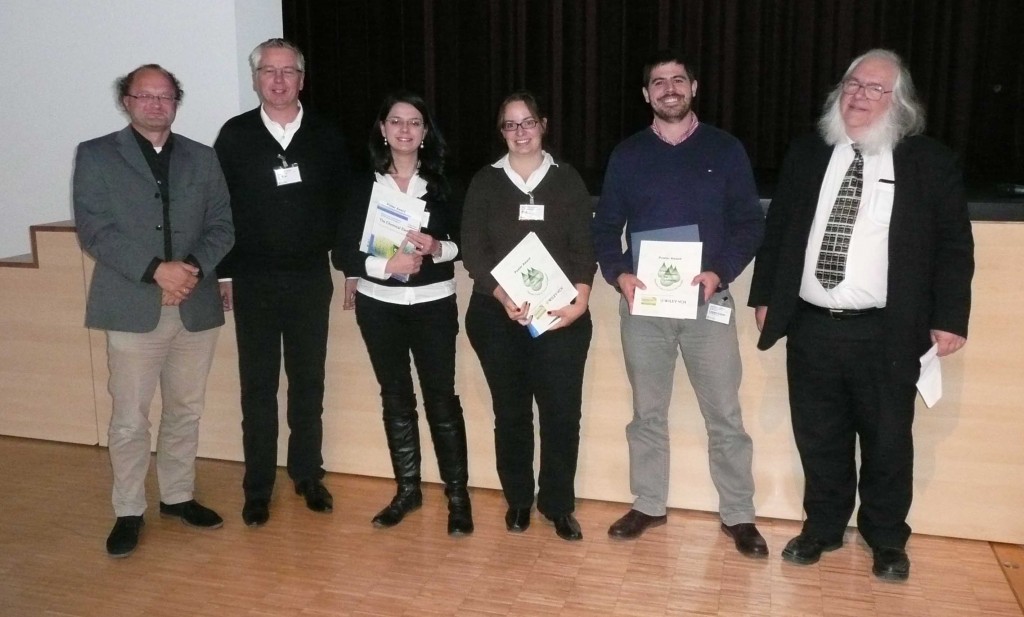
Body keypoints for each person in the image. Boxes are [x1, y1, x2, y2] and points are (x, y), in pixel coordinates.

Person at [748, 49, 974, 581]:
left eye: (875, 89)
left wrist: (950, 317)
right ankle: (823, 528)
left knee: (889, 440)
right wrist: (765, 297)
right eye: (853, 84)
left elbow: (954, 248)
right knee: (818, 435)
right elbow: (778, 232)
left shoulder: (929, 162)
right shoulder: (808, 154)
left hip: (889, 330)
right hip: (811, 324)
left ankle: (887, 539)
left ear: (898, 103)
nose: (859, 96)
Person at [591, 50, 768, 557]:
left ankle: (739, 514)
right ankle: (648, 503)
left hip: (707, 303)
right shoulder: (627, 155)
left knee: (725, 416)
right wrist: (618, 273)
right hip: (643, 305)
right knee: (646, 413)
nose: (669, 88)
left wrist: (720, 271)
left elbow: (749, 224)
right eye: (658, 82)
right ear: (646, 94)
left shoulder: (726, 149)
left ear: (694, 87)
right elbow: (605, 228)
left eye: (678, 80)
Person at [73, 64, 235, 557]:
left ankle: (178, 496)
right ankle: (128, 509)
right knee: (129, 418)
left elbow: (222, 225)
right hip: (131, 304)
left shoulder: (203, 157)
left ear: (176, 103)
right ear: (127, 100)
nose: (156, 105)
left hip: (193, 302)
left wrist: (186, 270)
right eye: (145, 96)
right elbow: (95, 230)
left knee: (185, 410)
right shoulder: (97, 155)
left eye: (165, 97)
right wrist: (154, 272)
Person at [214, 39, 350, 527]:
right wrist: (224, 271)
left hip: (310, 276)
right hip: (252, 277)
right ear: (255, 79)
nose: (277, 80)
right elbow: (219, 210)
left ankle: (307, 474)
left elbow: (343, 207)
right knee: (258, 386)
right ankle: (257, 487)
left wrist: (349, 266)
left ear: (302, 79)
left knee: (308, 382)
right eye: (267, 71)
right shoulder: (234, 136)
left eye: (287, 71)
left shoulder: (327, 135)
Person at [333, 91, 473, 536]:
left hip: (433, 304)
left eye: (414, 122)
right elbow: (343, 254)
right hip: (380, 307)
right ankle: (407, 490)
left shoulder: (445, 182)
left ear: (426, 131)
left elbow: (463, 244)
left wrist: (437, 248)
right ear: (382, 129)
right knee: (395, 398)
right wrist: (384, 266)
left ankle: (457, 494)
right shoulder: (362, 185)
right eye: (396, 121)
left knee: (442, 400)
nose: (405, 130)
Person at [462, 91, 595, 542]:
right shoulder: (485, 181)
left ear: (543, 124)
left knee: (561, 415)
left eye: (527, 123)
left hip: (560, 319)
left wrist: (580, 300)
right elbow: (474, 252)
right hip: (498, 317)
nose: (520, 133)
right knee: (512, 414)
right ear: (501, 131)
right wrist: (503, 298)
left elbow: (584, 247)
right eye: (510, 125)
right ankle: (518, 499)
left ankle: (557, 505)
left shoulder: (568, 180)